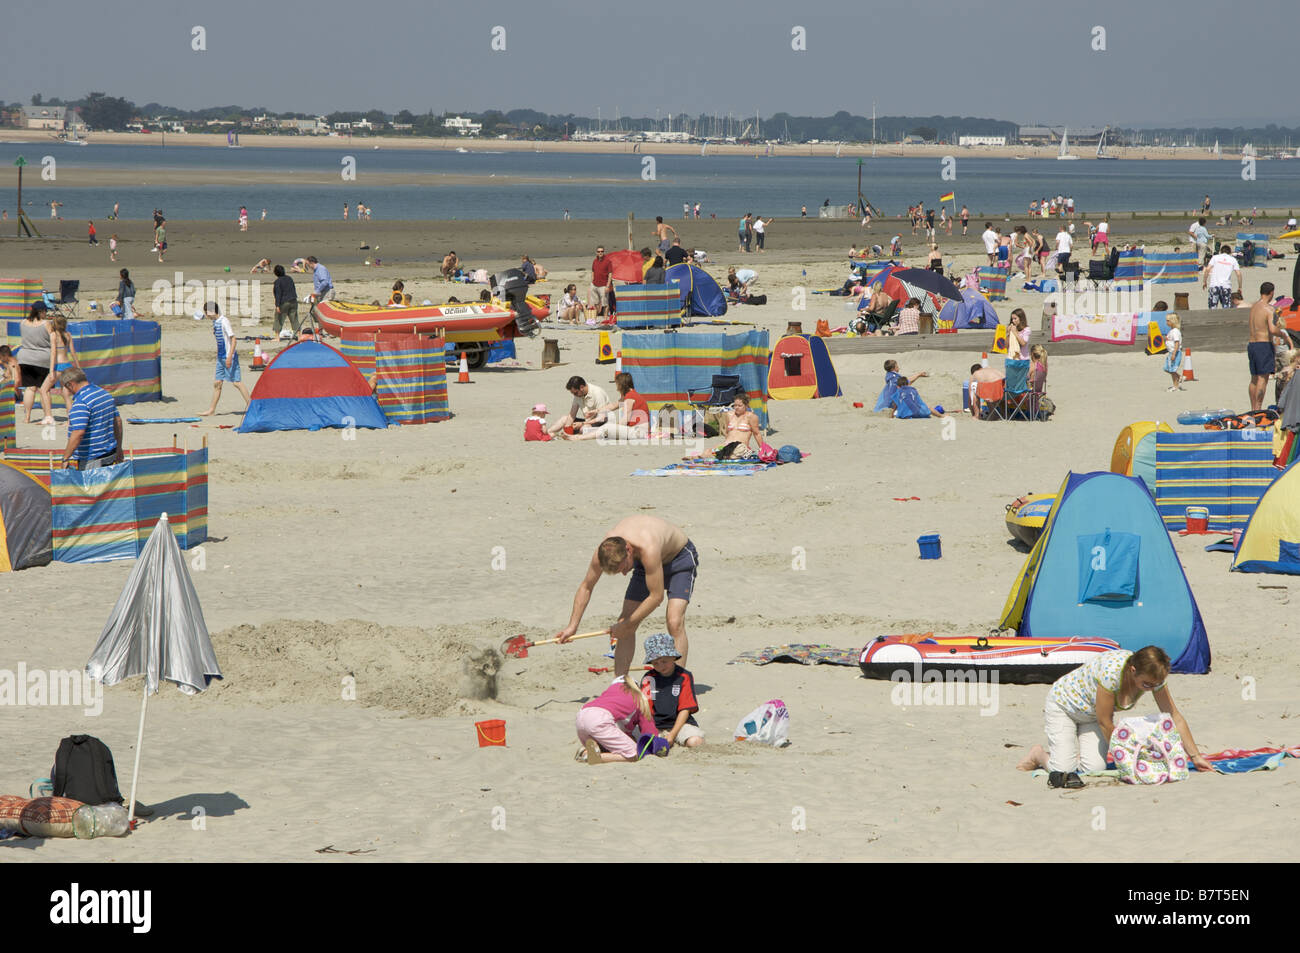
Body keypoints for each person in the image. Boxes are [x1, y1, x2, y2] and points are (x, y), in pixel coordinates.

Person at [1020, 646, 1211, 788]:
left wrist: (1195, 756)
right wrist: (1126, 761)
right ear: (1133, 670)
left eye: (1156, 685)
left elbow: (1174, 716)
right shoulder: (1112, 672)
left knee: (1092, 768)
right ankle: (1039, 755)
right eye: (1147, 685)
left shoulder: (1154, 677)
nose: (1152, 689)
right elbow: (1105, 722)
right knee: (1063, 770)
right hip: (1064, 706)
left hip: (1091, 716)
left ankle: (1069, 752)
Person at [557, 514, 698, 676]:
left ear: (629, 551)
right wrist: (572, 625)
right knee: (624, 622)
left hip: (679, 558)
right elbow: (586, 587)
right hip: (644, 565)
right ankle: (620, 684)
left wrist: (628, 624)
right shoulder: (604, 551)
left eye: (624, 568)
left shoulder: (648, 547)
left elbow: (656, 596)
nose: (624, 574)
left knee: (674, 621)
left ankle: (678, 684)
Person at [575, 674, 660, 765]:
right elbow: (650, 733)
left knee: (608, 742)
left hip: (581, 715)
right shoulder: (639, 698)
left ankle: (585, 751)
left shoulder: (609, 692)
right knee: (635, 754)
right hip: (600, 719)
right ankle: (595, 757)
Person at [639, 633, 703, 749]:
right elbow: (645, 710)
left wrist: (672, 735)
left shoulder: (684, 676)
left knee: (695, 741)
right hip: (655, 724)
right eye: (655, 663)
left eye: (664, 661)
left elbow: (685, 709)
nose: (660, 666)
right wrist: (651, 732)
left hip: (681, 724)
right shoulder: (648, 678)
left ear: (673, 657)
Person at [59, 369, 122, 471]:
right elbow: (118, 422)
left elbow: (78, 432)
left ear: (70, 384)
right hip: (110, 453)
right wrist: (119, 448)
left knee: (91, 487)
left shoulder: (81, 402)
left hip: (92, 458)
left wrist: (65, 458)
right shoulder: (104, 394)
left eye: (64, 387)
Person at [563, 371, 650, 443]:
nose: (617, 388)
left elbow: (625, 419)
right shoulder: (629, 395)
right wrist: (596, 411)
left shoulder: (630, 397)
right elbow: (612, 406)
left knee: (606, 428)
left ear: (621, 385)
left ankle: (578, 438)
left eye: (617, 385)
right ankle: (580, 436)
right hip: (637, 431)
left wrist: (614, 427)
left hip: (638, 432)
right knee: (607, 428)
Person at [199, 301, 252, 417]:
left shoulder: (224, 321)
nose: (206, 315)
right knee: (217, 383)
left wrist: (229, 357)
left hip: (229, 357)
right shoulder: (215, 322)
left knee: (236, 382)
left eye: (206, 312)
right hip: (220, 358)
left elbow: (234, 339)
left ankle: (251, 406)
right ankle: (211, 410)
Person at [1248, 283, 1286, 412]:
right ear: (1272, 293)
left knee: (1254, 378)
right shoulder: (1268, 309)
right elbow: (1272, 329)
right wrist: (1283, 335)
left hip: (1252, 344)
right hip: (1263, 345)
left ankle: (1253, 409)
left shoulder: (1254, 307)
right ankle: (1258, 409)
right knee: (1262, 379)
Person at [18, 301, 54, 425]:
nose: (46, 314)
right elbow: (53, 340)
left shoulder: (23, 323)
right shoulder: (46, 324)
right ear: (41, 311)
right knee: (45, 389)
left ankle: (27, 417)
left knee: (30, 388)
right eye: (45, 311)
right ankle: (47, 415)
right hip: (42, 358)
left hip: (25, 357)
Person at [547, 375, 612, 436]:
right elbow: (572, 414)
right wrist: (568, 428)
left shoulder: (597, 393)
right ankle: (546, 433)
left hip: (602, 423)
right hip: (588, 421)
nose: (574, 395)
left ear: (581, 387)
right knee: (564, 419)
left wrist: (582, 424)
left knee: (584, 428)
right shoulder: (578, 394)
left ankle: (577, 435)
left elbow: (602, 418)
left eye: (575, 393)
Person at [45, 315, 81, 418]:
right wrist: (78, 367)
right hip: (67, 366)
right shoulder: (68, 335)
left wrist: (51, 371)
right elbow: (73, 352)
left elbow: (53, 354)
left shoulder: (53, 335)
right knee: (66, 396)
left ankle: (48, 416)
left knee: (44, 389)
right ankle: (70, 420)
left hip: (58, 366)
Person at [1203, 243, 1240, 309]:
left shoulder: (1215, 257)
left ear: (1220, 251)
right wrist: (1240, 287)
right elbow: (1238, 274)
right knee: (1226, 308)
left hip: (1214, 285)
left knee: (1212, 308)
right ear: (1230, 252)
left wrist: (1204, 281)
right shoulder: (1233, 259)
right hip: (1226, 286)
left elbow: (1207, 269)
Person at [272, 265, 300, 338]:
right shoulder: (289, 278)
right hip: (293, 300)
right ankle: (300, 336)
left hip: (284, 302)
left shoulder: (278, 281)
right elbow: (293, 289)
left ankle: (277, 337)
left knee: (279, 318)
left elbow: (278, 294)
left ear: (276, 273)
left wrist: (277, 306)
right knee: (294, 319)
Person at [588, 246, 613, 317]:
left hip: (603, 285)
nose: (600, 253)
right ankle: (595, 318)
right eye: (599, 252)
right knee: (595, 303)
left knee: (605, 303)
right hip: (595, 285)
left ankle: (605, 318)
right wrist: (592, 281)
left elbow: (610, 274)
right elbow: (593, 271)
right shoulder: (595, 261)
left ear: (603, 252)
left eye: (602, 251)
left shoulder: (608, 261)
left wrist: (608, 286)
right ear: (596, 253)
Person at [1164, 315, 1185, 391]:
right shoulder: (1171, 331)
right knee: (1167, 368)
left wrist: (1174, 354)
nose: (1166, 322)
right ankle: (1180, 377)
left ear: (1172, 321)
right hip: (1171, 352)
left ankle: (1175, 386)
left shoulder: (1175, 331)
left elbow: (1177, 343)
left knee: (1172, 370)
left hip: (1175, 352)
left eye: (1168, 321)